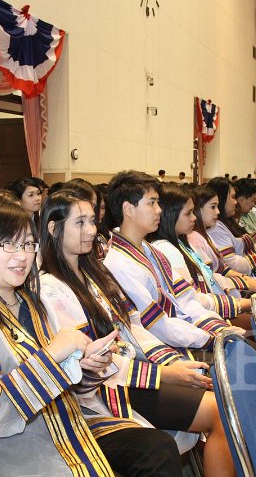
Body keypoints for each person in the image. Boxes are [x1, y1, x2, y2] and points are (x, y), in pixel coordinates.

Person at [0, 199, 181, 476]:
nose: (22, 256)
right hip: (23, 451)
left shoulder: (31, 303)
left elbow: (67, 388)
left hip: (67, 426)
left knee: (157, 447)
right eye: (9, 244)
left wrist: (86, 367)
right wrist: (52, 356)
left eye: (28, 244)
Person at [39, 190, 236, 476]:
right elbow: (92, 359)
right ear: (53, 228)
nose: (91, 230)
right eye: (80, 223)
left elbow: (131, 326)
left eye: (92, 221)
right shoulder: (51, 288)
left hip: (128, 373)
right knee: (216, 410)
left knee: (221, 404)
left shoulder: (94, 273)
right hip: (100, 392)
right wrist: (164, 373)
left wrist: (169, 364)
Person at [102, 171, 235, 352]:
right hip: (165, 346)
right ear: (128, 209)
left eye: (158, 202)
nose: (159, 210)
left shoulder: (151, 250)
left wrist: (219, 329)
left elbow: (185, 299)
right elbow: (157, 325)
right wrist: (209, 339)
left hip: (186, 333)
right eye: (151, 203)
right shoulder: (119, 264)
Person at [149, 184, 252, 323]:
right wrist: (237, 303)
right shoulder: (167, 249)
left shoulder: (182, 242)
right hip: (205, 316)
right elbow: (192, 300)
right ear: (170, 214)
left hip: (214, 307)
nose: (194, 218)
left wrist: (241, 285)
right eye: (188, 213)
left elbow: (208, 276)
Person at [187, 185, 256, 297]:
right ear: (198, 209)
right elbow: (210, 278)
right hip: (219, 293)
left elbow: (223, 268)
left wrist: (244, 278)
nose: (218, 211)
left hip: (227, 287)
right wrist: (244, 282)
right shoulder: (194, 239)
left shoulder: (204, 234)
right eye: (213, 207)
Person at [205, 178, 256, 276]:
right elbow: (232, 263)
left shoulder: (227, 222)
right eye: (233, 197)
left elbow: (249, 247)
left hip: (252, 268)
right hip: (249, 272)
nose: (235, 202)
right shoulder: (215, 228)